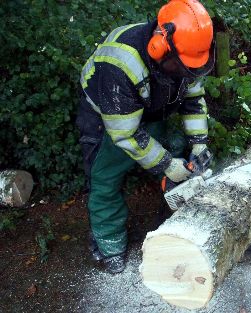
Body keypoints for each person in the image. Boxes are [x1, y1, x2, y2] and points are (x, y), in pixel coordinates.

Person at [75, 0, 214, 274]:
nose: (189, 74)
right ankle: (108, 245)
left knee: (170, 149)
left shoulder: (188, 54)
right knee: (105, 180)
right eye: (183, 68)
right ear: (159, 47)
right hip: (107, 117)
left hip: (150, 106)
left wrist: (199, 143)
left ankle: (172, 212)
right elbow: (125, 133)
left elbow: (193, 99)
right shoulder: (120, 63)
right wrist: (165, 164)